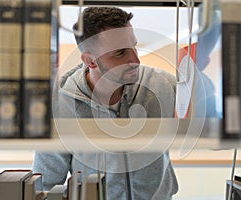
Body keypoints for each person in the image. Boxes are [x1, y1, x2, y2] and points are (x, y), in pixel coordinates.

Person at [33, 7, 179, 199]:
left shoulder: (164, 86)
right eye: (120, 53)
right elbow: (46, 184)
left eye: (134, 46)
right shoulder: (59, 106)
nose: (135, 60)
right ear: (90, 61)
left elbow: (214, 132)